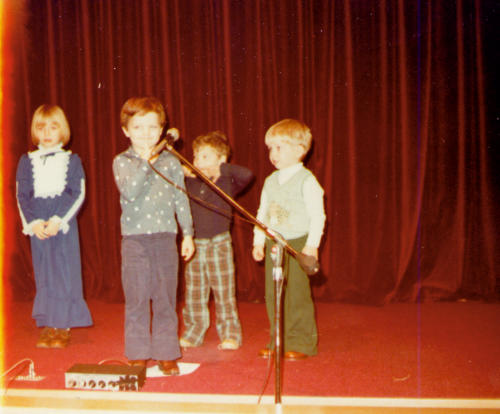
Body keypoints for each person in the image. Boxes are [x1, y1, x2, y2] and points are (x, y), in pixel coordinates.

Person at [113, 97, 195, 376]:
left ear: (162, 130)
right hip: (134, 240)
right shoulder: (122, 161)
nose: (146, 133)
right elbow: (130, 191)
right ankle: (138, 353)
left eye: (152, 127)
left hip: (165, 237)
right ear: (126, 131)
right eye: (138, 127)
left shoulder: (172, 161)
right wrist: (147, 161)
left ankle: (166, 352)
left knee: (165, 298)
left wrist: (188, 234)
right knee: (136, 298)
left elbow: (181, 198)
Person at [16, 104, 93, 349]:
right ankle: (50, 322)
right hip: (39, 225)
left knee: (64, 271)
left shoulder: (72, 160)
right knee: (45, 272)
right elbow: (22, 195)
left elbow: (77, 193)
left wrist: (59, 220)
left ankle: (63, 325)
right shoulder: (27, 161)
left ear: (63, 130)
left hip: (62, 224)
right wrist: (33, 223)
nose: (47, 133)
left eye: (53, 127)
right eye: (41, 128)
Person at [252, 118, 326, 360]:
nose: (273, 154)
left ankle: (302, 342)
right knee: (274, 292)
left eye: (279, 147)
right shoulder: (270, 181)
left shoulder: (307, 180)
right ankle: (278, 339)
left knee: (297, 293)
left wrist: (311, 245)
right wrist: (258, 241)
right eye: (270, 148)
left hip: (297, 243)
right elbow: (262, 213)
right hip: (274, 243)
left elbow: (317, 216)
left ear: (299, 150)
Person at [179, 131, 253, 351]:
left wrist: (219, 168)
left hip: (219, 243)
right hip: (195, 244)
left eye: (205, 156)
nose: (198, 161)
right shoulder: (190, 182)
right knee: (195, 291)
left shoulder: (227, 180)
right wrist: (184, 171)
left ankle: (230, 333)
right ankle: (193, 332)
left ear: (221, 159)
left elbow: (247, 174)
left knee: (223, 291)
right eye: (196, 156)